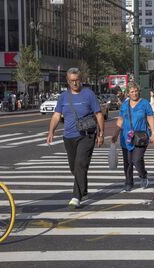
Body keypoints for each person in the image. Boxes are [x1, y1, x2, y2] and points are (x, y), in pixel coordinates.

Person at [47, 67, 105, 208]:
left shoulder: (89, 94)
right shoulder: (63, 97)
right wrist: (51, 132)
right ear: (67, 81)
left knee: (80, 164)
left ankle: (76, 197)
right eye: (72, 81)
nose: (75, 83)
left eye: (77, 80)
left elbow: (98, 114)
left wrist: (101, 134)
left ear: (81, 80)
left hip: (87, 136)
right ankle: (83, 189)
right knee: (74, 168)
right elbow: (56, 115)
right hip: (69, 137)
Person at [112, 82, 154, 192]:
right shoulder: (124, 105)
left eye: (136, 91)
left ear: (139, 91)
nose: (134, 93)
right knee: (127, 162)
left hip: (141, 137)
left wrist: (153, 133)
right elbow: (121, 119)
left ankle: (143, 175)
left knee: (136, 159)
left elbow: (150, 118)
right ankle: (128, 182)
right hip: (126, 137)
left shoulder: (145, 103)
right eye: (132, 91)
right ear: (128, 93)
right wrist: (115, 134)